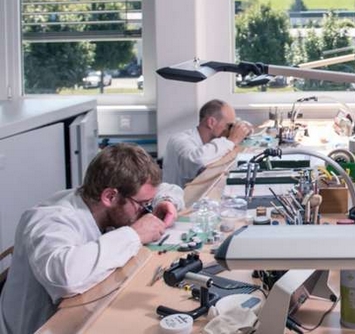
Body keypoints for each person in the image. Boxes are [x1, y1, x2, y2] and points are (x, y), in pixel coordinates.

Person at [0, 144, 185, 334]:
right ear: (110, 196)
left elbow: (169, 189)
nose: (146, 210)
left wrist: (166, 200)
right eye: (143, 204)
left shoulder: (98, 200)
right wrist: (135, 234)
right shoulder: (50, 219)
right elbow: (65, 278)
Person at [162, 99, 250, 186]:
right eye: (229, 125)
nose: (230, 130)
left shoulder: (213, 141)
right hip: (180, 193)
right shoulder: (179, 140)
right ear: (211, 122)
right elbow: (197, 160)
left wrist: (244, 129)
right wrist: (231, 141)